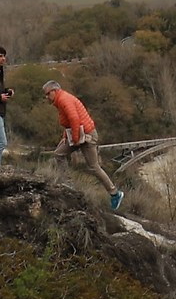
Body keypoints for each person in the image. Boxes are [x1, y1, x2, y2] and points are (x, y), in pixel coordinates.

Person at [42, 79, 122, 210]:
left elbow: (74, 119)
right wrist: (65, 137)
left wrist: (74, 139)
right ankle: (67, 184)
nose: (46, 97)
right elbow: (67, 120)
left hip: (86, 136)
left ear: (55, 91)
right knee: (59, 154)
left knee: (93, 167)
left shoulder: (64, 100)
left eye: (47, 94)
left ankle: (115, 193)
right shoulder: (60, 101)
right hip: (79, 134)